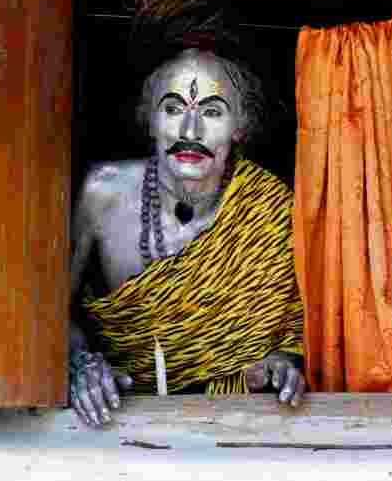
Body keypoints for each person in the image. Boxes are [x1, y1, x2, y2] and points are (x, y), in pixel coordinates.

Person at [67, 46, 305, 426]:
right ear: (150, 120)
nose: (190, 132)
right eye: (174, 109)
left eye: (211, 112)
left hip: (239, 428)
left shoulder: (272, 207)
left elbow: (297, 322)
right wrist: (82, 364)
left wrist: (284, 362)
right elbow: (47, 312)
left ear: (239, 127)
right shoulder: (102, 195)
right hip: (124, 423)